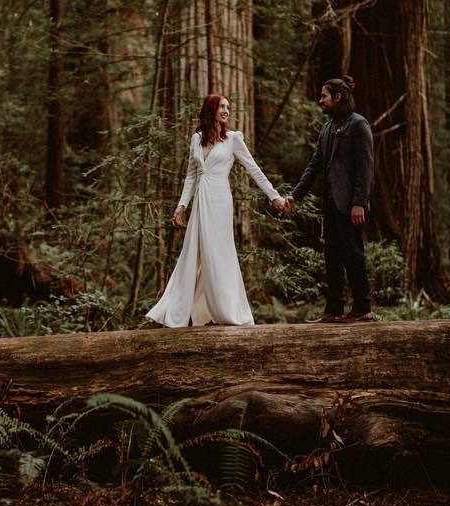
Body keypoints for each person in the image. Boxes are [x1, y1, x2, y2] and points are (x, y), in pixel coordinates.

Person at [146, 94, 289, 327]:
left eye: (228, 108)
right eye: (222, 106)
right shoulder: (197, 138)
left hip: (220, 200)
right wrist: (181, 206)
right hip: (201, 200)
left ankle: (225, 310)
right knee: (193, 252)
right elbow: (191, 176)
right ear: (210, 109)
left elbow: (253, 169)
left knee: (218, 254)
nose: (226, 111)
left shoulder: (233, 139)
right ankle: (185, 310)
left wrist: (275, 197)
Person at [283, 76, 376, 323]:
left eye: (324, 96)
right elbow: (315, 166)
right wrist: (295, 195)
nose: (320, 100)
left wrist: (359, 202)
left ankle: (363, 309)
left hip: (350, 204)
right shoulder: (326, 128)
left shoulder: (359, 125)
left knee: (354, 254)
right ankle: (333, 310)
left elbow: (365, 168)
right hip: (331, 203)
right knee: (332, 256)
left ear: (338, 97)